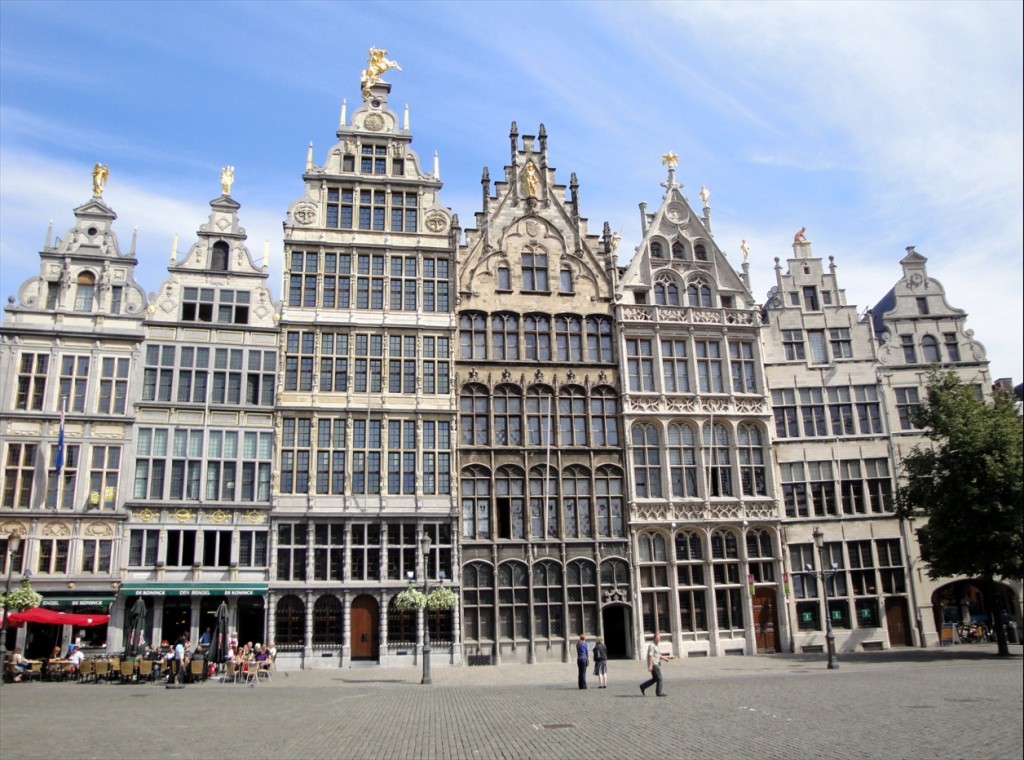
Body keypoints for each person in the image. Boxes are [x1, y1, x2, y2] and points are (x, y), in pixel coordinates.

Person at [639, 632, 673, 697]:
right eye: (657, 638)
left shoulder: (656, 646)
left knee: (655, 679)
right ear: (654, 638)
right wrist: (650, 665)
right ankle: (659, 692)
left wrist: (665, 658)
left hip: (656, 663)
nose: (658, 640)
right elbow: (650, 656)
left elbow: (658, 655)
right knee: (660, 678)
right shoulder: (652, 645)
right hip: (654, 664)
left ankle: (643, 686)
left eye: (659, 638)